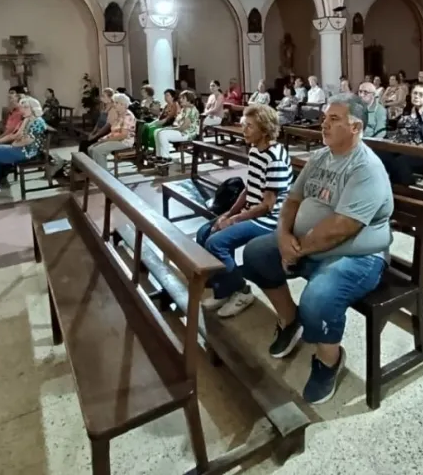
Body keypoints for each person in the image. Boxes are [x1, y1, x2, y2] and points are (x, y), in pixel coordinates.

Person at [241, 94, 392, 404]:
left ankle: (328, 360)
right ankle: (289, 319)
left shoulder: (366, 168)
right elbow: (292, 199)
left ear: (356, 126)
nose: (325, 123)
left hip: (356, 256)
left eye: (334, 119)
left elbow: (342, 226)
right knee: (255, 254)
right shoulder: (320, 157)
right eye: (325, 117)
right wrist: (283, 236)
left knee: (318, 299)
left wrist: (295, 250)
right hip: (305, 246)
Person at [196, 104, 292, 318]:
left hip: (270, 219)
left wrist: (235, 219)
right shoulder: (256, 150)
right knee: (204, 233)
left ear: (264, 129)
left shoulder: (274, 157)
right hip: (254, 211)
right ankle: (224, 289)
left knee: (216, 242)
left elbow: (267, 205)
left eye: (249, 126)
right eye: (243, 126)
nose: (244, 131)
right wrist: (228, 214)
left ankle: (241, 290)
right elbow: (249, 189)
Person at [376, 83, 423, 186]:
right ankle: (384, 189)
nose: (416, 96)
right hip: (400, 147)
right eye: (415, 93)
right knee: (379, 154)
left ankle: (404, 194)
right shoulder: (409, 110)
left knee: (400, 162)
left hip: (422, 153)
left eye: (421, 94)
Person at [0, 96, 47, 193]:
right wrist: (1, 141)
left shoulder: (38, 121)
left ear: (33, 108)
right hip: (21, 148)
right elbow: (17, 135)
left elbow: (28, 140)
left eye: (26, 107)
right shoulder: (28, 119)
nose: (23, 110)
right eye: (23, 107)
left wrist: (15, 144)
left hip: (26, 152)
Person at [88, 93, 137, 169]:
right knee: (90, 148)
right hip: (115, 139)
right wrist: (103, 139)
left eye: (116, 103)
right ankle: (96, 172)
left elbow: (123, 135)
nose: (114, 105)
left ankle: (103, 175)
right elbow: (114, 131)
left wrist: (106, 140)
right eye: (114, 102)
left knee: (98, 151)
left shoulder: (128, 116)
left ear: (123, 105)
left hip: (124, 141)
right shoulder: (120, 115)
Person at [155, 90, 201, 160]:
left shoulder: (192, 110)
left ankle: (166, 158)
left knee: (163, 134)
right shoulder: (183, 109)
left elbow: (183, 127)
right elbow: (176, 122)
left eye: (183, 98)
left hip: (188, 133)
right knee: (157, 131)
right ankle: (159, 156)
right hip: (180, 131)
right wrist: (172, 127)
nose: (180, 100)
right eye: (180, 98)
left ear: (189, 100)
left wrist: (170, 128)